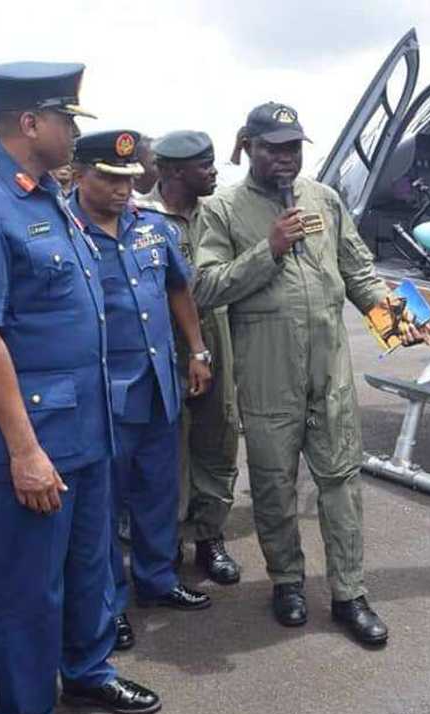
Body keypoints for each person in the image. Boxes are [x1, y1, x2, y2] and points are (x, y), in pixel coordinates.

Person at [0, 62, 160, 714]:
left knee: (91, 564)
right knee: (30, 588)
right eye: (66, 118)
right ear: (31, 122)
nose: (72, 131)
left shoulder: (48, 196)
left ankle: (87, 667)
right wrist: (24, 450)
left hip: (86, 425)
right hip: (32, 437)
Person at [193, 102, 429, 645]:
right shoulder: (221, 210)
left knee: (341, 483)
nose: (285, 157)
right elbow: (206, 287)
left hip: (329, 374)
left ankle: (350, 594)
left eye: (293, 147)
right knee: (274, 487)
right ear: (247, 146)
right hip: (267, 376)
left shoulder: (325, 199)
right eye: (273, 146)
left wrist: (398, 322)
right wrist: (268, 249)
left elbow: (357, 270)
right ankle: (287, 583)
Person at [71, 130, 213, 652]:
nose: (121, 189)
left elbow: (178, 288)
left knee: (158, 493)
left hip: (158, 385)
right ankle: (109, 601)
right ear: (79, 173)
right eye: (109, 177)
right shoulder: (64, 229)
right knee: (103, 507)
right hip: (102, 394)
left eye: (130, 178)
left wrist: (197, 350)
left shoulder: (151, 227)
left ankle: (158, 580)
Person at [135, 131, 241, 585]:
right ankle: (167, 542)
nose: (215, 172)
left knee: (218, 442)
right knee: (167, 450)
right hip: (164, 344)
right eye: (205, 164)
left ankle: (210, 536)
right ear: (174, 171)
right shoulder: (139, 216)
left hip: (215, 338)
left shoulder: (219, 213)